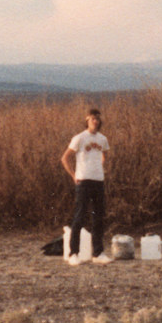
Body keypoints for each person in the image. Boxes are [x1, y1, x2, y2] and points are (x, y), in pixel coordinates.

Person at [61, 107, 110, 261]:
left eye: (98, 119)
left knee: (98, 217)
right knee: (80, 216)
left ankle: (98, 253)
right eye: (93, 119)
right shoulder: (79, 138)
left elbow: (105, 155)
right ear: (87, 120)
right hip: (83, 181)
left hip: (98, 181)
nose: (95, 122)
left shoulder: (102, 139)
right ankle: (73, 253)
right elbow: (65, 158)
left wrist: (100, 169)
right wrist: (74, 175)